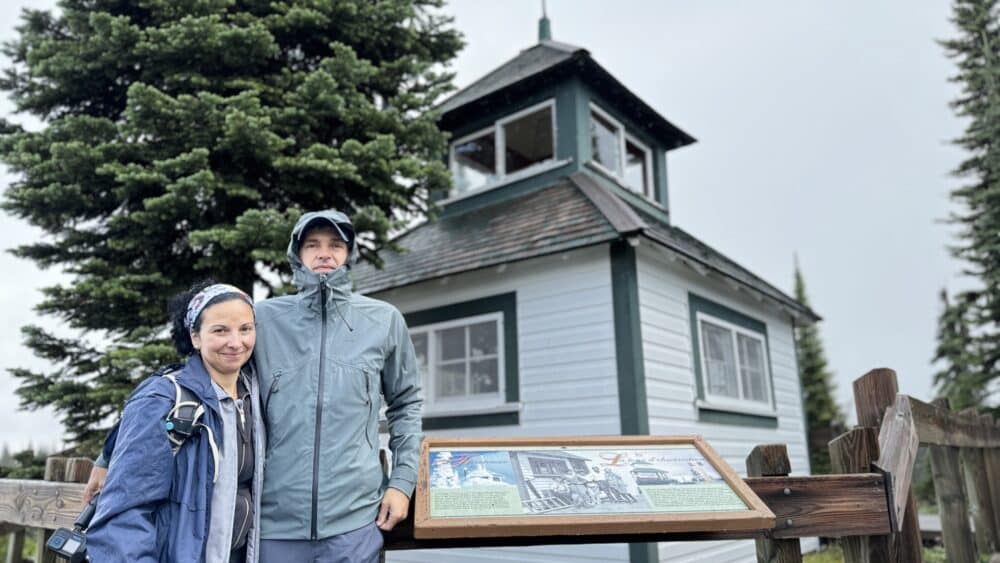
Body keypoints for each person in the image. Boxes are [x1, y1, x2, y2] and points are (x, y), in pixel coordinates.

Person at [85, 210, 421, 563]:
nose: (325, 253)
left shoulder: (384, 321)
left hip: (353, 523)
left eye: (336, 245)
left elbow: (406, 402)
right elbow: (188, 378)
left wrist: (401, 482)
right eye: (313, 244)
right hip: (273, 526)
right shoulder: (261, 319)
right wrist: (108, 455)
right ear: (297, 254)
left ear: (348, 253)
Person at [86, 282, 264, 563]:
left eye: (245, 329)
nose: (235, 342)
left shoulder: (255, 396)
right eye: (220, 330)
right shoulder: (163, 398)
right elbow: (124, 513)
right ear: (195, 336)